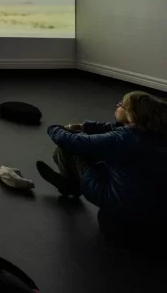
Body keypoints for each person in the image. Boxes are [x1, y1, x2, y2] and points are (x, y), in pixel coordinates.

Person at [36, 91, 167, 221]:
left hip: (118, 202)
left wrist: (54, 128)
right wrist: (85, 127)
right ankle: (69, 185)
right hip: (156, 208)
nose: (118, 105)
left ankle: (71, 186)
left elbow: (71, 141)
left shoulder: (122, 138)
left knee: (67, 150)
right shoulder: (156, 132)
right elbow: (115, 128)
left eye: (122, 105)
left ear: (132, 115)